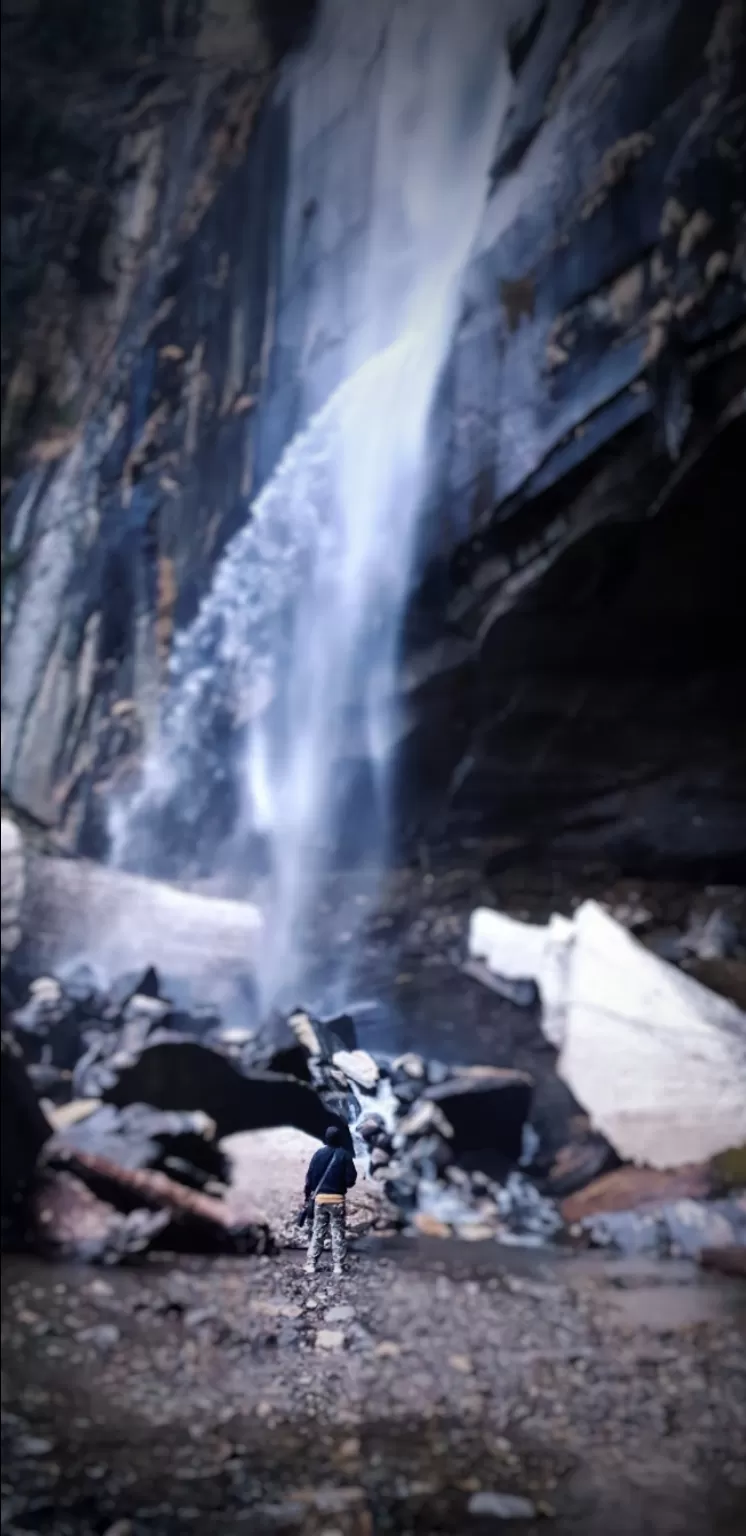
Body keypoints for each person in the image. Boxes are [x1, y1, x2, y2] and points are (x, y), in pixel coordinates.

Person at [303, 1126, 357, 1278]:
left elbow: (309, 1179)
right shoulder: (345, 1155)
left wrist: (307, 1197)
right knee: (337, 1233)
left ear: (325, 1139)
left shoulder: (318, 1154)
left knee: (318, 1231)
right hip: (337, 1200)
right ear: (340, 1139)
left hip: (320, 1199)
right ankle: (338, 1266)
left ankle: (311, 1264)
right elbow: (351, 1179)